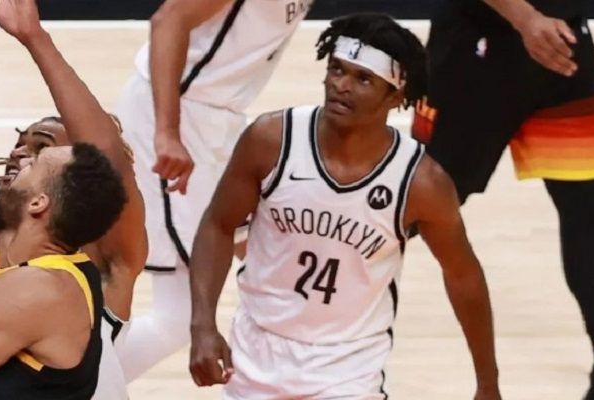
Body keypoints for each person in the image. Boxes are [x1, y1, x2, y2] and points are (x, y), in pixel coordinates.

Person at [188, 13, 501, 399]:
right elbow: (218, 225)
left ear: (396, 96)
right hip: (256, 356)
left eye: (363, 78)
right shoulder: (271, 141)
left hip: (350, 369)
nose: (341, 85)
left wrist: (487, 382)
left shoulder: (421, 182)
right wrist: (202, 324)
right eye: (337, 69)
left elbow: (463, 275)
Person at [412, 0, 594, 397]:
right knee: (414, 206)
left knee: (585, 209)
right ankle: (332, 330)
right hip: (474, 46)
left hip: (562, 41)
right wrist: (526, 19)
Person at [116, 0, 312, 381]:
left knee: (270, 258)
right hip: (178, 116)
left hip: (220, 119)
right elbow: (168, 21)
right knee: (176, 315)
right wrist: (167, 134)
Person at [0, 0, 148, 398]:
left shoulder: (96, 258)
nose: (21, 154)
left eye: (42, 149)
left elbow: (108, 158)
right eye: (20, 144)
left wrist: (35, 38)